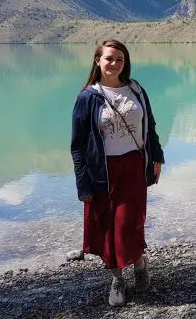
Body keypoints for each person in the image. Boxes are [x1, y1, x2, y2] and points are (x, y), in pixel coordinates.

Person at [70, 39, 164, 307]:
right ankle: (118, 279)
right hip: (103, 171)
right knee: (106, 228)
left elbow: (151, 125)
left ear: (126, 63)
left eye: (119, 59)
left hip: (134, 164)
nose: (114, 64)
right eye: (109, 58)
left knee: (128, 223)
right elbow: (77, 145)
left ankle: (140, 263)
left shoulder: (135, 89)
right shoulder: (88, 97)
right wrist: (82, 183)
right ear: (97, 61)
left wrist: (157, 157)